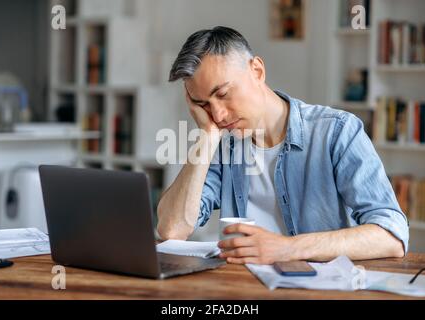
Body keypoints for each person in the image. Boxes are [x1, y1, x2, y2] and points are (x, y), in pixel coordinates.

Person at [157, 26, 408, 264]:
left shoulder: (337, 131)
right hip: (242, 290)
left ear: (257, 71)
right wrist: (208, 135)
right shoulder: (223, 145)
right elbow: (172, 229)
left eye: (222, 94)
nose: (218, 114)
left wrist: (287, 248)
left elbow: (391, 235)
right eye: (203, 105)